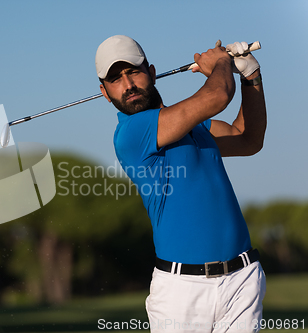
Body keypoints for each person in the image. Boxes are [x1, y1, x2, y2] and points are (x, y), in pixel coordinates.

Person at [95, 35, 267, 332]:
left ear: (151, 72)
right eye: (115, 79)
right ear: (105, 92)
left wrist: (251, 76)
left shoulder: (195, 125)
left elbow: (247, 137)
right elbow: (216, 97)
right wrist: (222, 63)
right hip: (181, 291)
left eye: (133, 72)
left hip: (242, 279)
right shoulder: (132, 133)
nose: (128, 85)